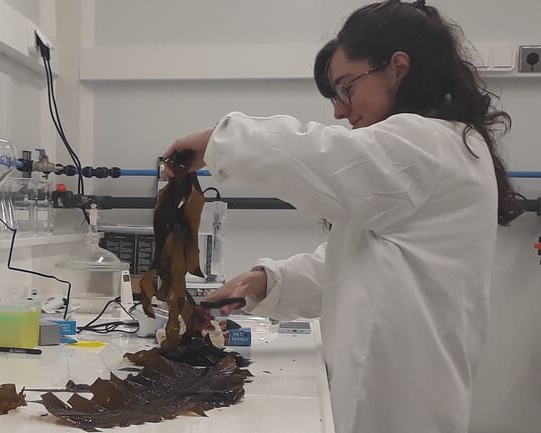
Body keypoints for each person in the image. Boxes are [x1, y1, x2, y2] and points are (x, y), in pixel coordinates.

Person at [164, 1, 522, 432]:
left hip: (401, 409)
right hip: (392, 397)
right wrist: (268, 280)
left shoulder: (427, 146)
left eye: (345, 88)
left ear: (398, 68)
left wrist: (217, 143)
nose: (339, 109)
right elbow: (358, 261)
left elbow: (323, 157)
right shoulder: (432, 150)